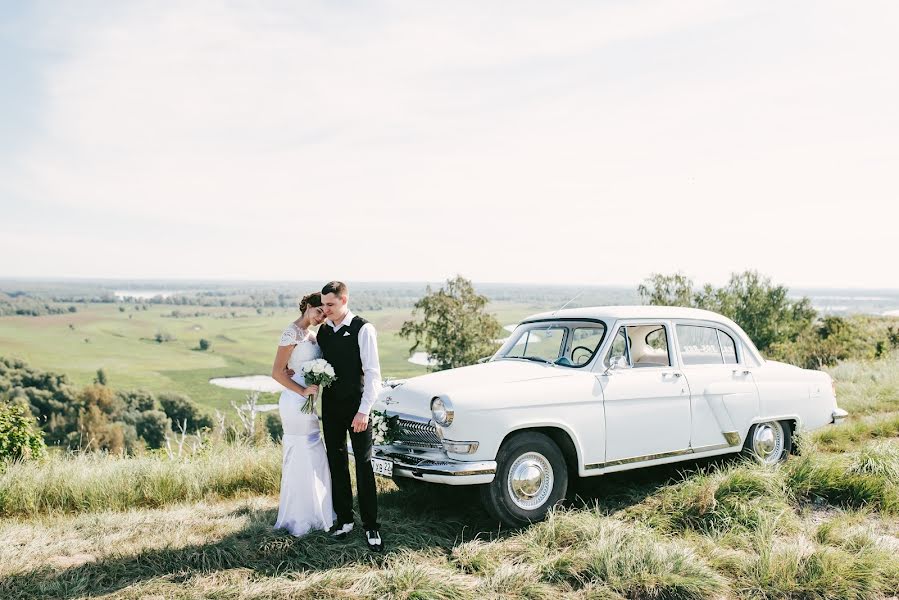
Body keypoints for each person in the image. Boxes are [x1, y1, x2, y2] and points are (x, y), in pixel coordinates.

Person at [318, 280, 384, 552]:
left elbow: (373, 375)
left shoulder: (363, 329)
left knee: (364, 465)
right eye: (323, 305)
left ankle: (371, 526)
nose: (326, 310)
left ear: (344, 300)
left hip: (358, 409)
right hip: (330, 408)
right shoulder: (323, 331)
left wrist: (364, 411)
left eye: (331, 304)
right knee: (336, 463)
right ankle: (345, 520)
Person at [271, 292, 335, 536]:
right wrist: (302, 390)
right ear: (308, 307)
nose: (321, 317)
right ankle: (299, 519)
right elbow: (277, 373)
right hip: (294, 401)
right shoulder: (291, 333)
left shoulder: (311, 335)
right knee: (302, 453)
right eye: (318, 311)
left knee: (315, 453)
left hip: (308, 401)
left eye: (325, 314)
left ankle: (318, 513)